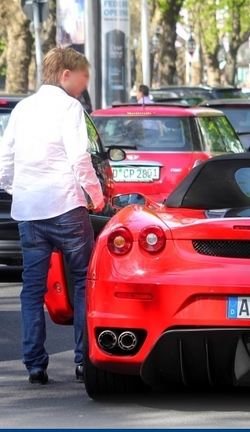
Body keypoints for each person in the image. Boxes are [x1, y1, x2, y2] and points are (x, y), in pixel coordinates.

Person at [0, 47, 105, 385]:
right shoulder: (70, 107)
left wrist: (18, 191)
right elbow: (79, 158)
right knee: (83, 283)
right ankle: (81, 360)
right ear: (64, 74)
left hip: (30, 213)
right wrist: (97, 197)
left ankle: (35, 365)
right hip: (66, 209)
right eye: (80, 75)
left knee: (32, 289)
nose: (81, 82)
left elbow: (6, 159)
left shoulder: (22, 109)